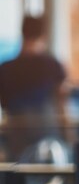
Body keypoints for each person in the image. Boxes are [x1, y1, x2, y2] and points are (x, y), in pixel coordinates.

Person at [0, 16, 67, 160]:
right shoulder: (53, 66)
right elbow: (62, 107)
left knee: (18, 179)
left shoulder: (5, 69)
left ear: (22, 33)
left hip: (16, 137)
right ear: (43, 35)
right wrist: (70, 138)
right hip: (48, 136)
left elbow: (4, 106)